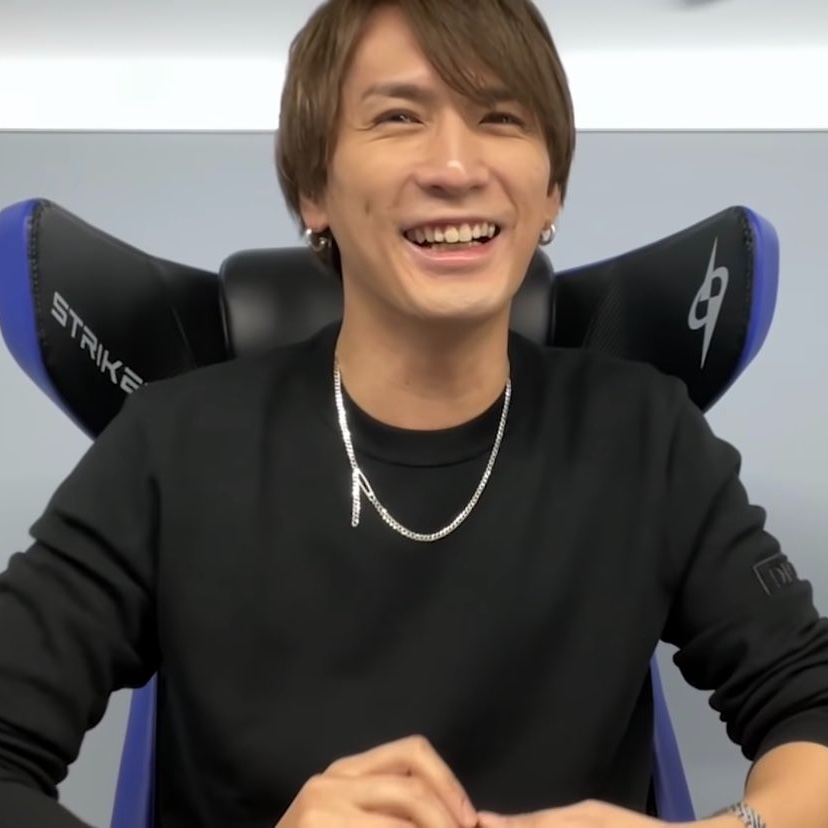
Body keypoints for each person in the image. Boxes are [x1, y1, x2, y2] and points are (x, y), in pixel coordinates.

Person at [1, 0, 828, 826]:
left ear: (550, 191)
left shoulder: (646, 434)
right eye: (398, 117)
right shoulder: (170, 447)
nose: (456, 166)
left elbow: (811, 704)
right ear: (314, 188)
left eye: (500, 117)